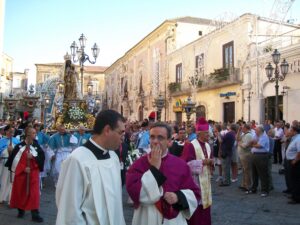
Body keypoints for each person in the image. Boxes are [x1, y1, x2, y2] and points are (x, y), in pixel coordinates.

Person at [55, 110, 126, 225]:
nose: (123, 138)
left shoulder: (113, 157)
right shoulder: (77, 160)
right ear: (107, 130)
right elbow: (70, 211)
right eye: (120, 132)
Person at [126, 122, 199, 225]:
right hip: (147, 217)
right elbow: (134, 193)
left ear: (169, 142)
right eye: (152, 137)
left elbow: (194, 193)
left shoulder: (180, 165)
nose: (155, 141)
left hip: (173, 220)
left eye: (160, 138)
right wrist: (154, 169)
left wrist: (178, 197)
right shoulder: (138, 164)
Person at [5, 126, 45, 222]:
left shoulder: (36, 146)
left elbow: (41, 158)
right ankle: (21, 210)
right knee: (21, 193)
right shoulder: (19, 146)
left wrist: (33, 158)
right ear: (28, 135)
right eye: (34, 133)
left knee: (34, 194)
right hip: (22, 175)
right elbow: (13, 161)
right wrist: (23, 168)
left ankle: (35, 213)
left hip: (33, 175)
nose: (35, 135)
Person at [182, 117, 214, 225]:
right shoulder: (191, 145)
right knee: (197, 207)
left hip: (206, 181)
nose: (208, 135)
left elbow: (211, 159)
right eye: (206, 133)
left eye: (208, 133)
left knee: (205, 206)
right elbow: (186, 165)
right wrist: (203, 162)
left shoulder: (208, 146)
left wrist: (211, 163)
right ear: (199, 133)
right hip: (195, 182)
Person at [0, 125, 20, 203]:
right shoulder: (1, 140)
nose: (11, 133)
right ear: (6, 131)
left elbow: (19, 152)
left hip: (14, 162)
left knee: (12, 181)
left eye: (12, 132)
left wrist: (13, 150)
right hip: (4, 162)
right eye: (9, 131)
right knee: (3, 180)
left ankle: (11, 199)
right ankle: (1, 197)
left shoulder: (17, 141)